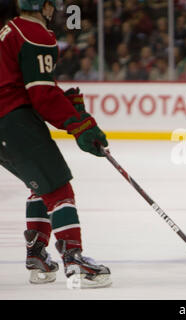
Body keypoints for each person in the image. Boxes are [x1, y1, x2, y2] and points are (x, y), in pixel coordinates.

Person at [0, 0, 112, 287]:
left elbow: (29, 85)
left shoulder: (10, 29)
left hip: (6, 121)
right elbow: (42, 96)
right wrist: (79, 125)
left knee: (41, 183)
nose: (55, 9)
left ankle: (37, 255)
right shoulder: (36, 34)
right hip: (13, 122)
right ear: (43, 6)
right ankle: (74, 260)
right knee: (59, 188)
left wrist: (69, 108)